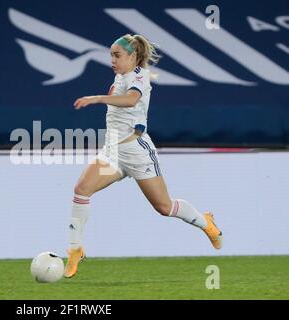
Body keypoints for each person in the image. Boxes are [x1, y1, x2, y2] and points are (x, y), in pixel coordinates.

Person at [64, 34, 223, 278]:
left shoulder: (140, 76)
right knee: (81, 190)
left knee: (164, 207)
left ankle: (206, 222)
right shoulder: (119, 78)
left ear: (133, 56)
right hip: (113, 154)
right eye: (111, 55)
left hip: (138, 153)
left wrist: (97, 98)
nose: (112, 60)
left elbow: (131, 100)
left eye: (117, 55)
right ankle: (75, 249)